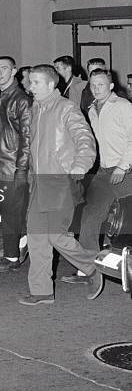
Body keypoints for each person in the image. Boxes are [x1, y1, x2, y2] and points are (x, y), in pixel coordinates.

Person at [19, 65, 102, 306]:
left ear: (50, 85)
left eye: (35, 82)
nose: (30, 86)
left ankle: (93, 268)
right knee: (36, 238)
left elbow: (85, 139)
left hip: (60, 183)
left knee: (56, 236)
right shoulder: (36, 109)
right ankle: (42, 291)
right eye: (30, 82)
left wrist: (80, 165)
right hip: (38, 184)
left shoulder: (66, 108)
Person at [61, 69, 132, 284]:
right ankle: (87, 269)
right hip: (104, 171)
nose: (96, 89)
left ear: (111, 86)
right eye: (93, 85)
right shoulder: (92, 109)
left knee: (125, 224)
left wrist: (122, 166)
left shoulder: (123, 106)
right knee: (89, 217)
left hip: (126, 171)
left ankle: (124, 270)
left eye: (101, 84)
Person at [0, 56, 31, 272]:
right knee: (0, 209)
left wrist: (21, 169)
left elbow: (27, 137)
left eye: (4, 68)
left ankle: (12, 256)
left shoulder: (21, 99)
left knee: (10, 212)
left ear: (14, 71)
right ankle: (22, 238)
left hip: (13, 165)